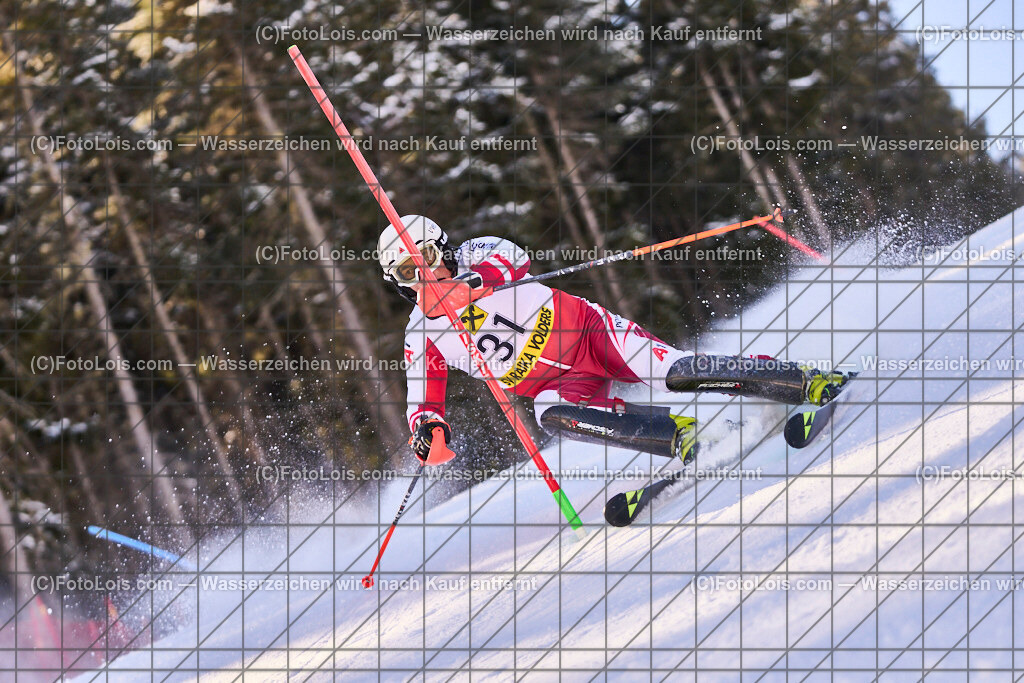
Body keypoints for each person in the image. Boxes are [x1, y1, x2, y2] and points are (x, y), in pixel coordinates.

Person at [378, 215, 850, 465]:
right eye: (407, 272)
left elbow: (513, 259)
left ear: (442, 247)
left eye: (426, 257)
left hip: (590, 334)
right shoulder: (421, 334)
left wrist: (472, 285)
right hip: (551, 384)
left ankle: (795, 378)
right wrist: (429, 430)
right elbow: (423, 399)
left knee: (673, 373)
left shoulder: (475, 253)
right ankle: (681, 435)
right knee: (551, 415)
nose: (423, 275)